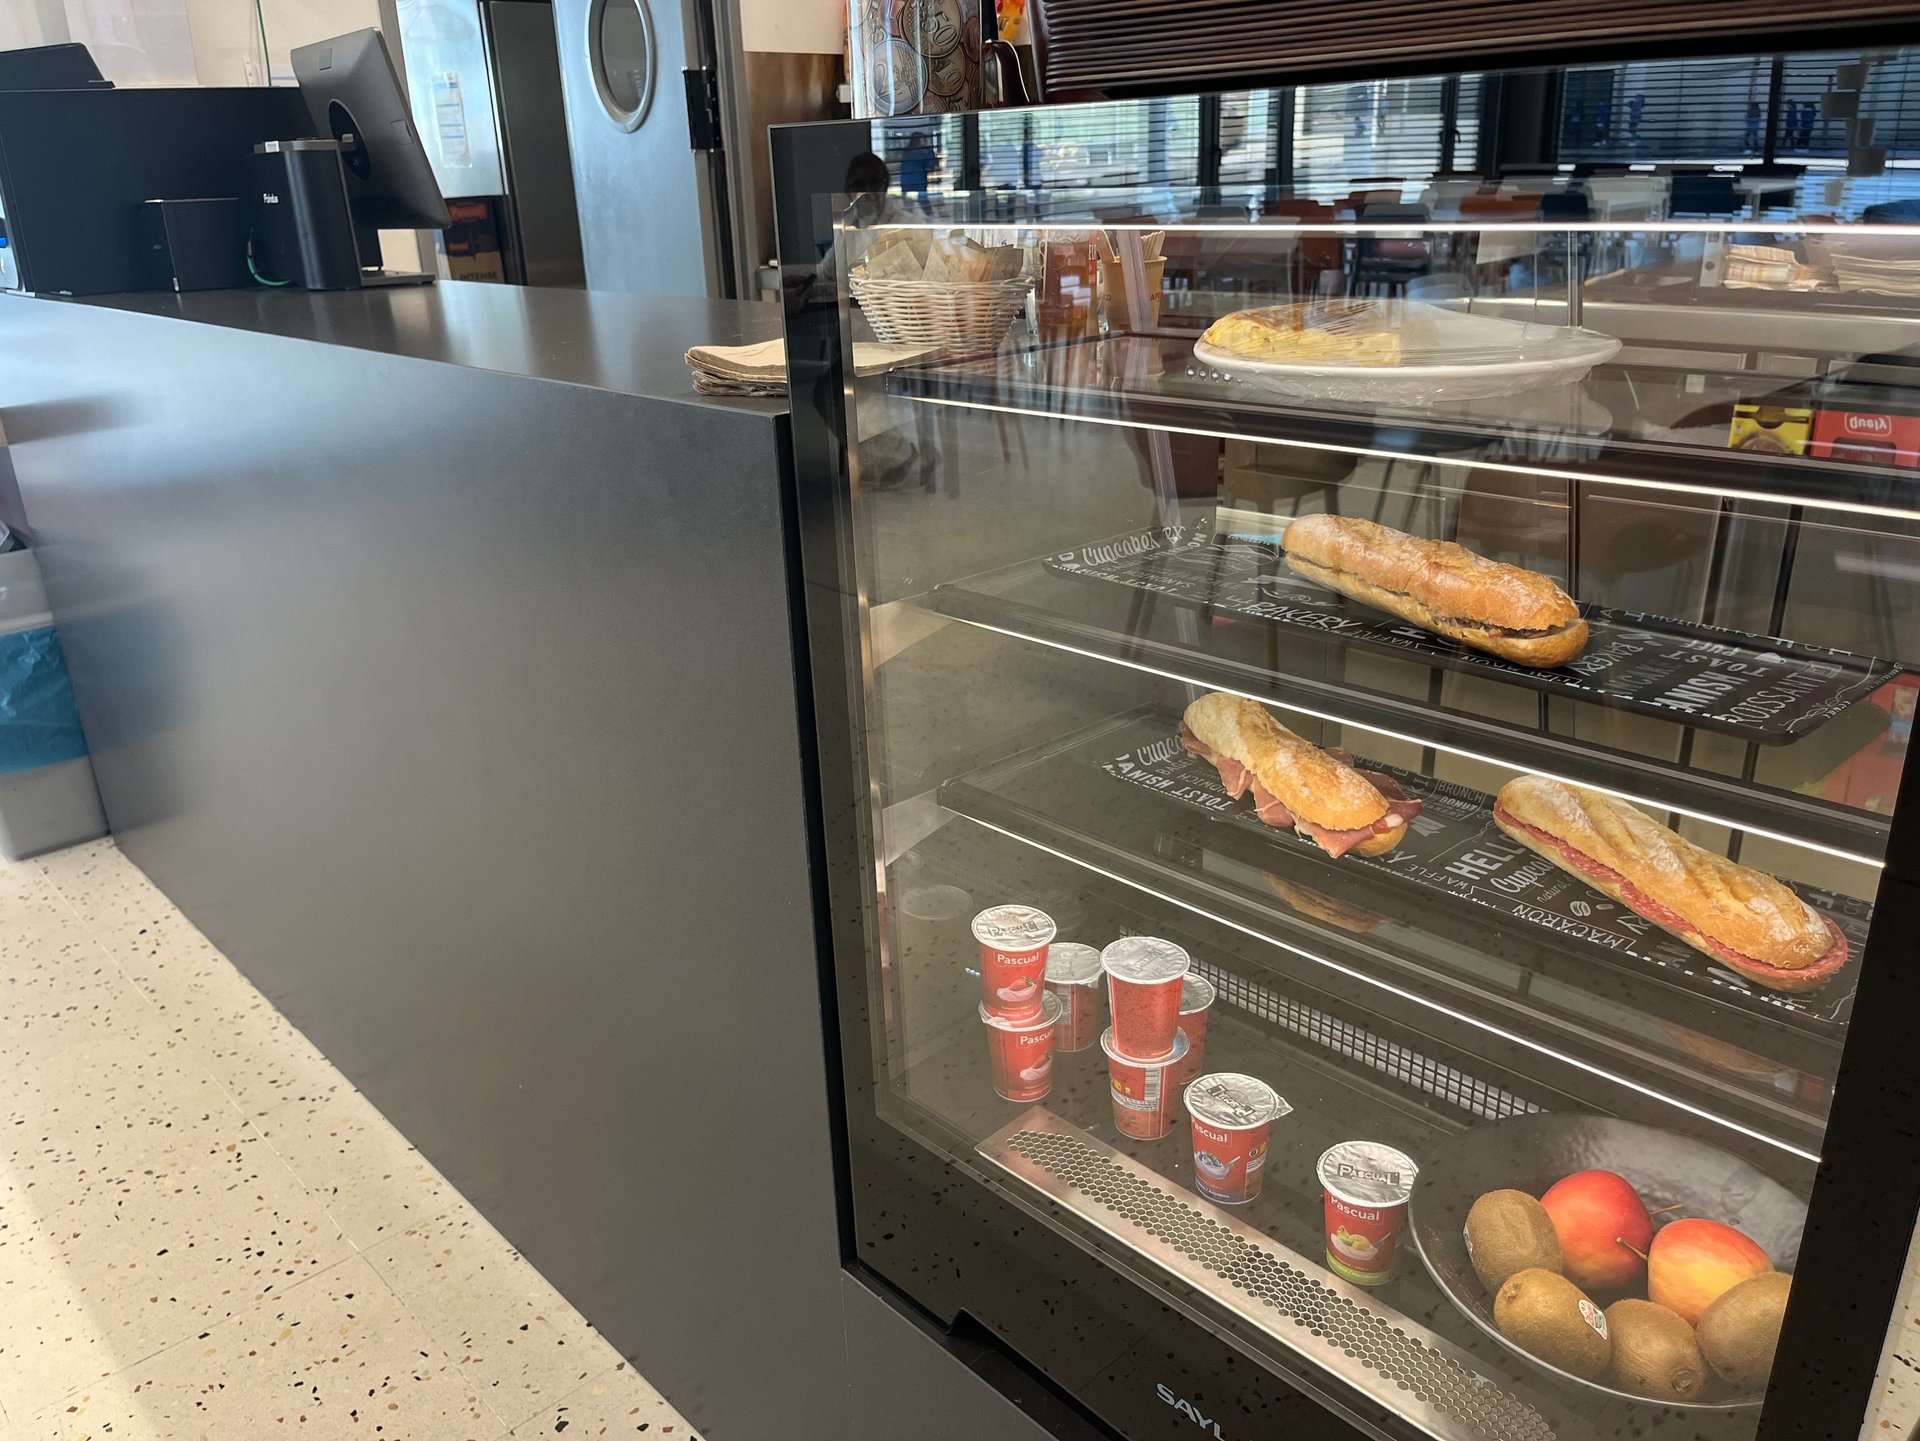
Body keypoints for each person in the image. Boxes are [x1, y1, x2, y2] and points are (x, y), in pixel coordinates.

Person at [899, 131, 937, 207]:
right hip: (919, 182)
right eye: (924, 140)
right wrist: (930, 149)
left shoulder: (906, 152)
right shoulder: (921, 154)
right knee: (924, 203)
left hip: (906, 183)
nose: (925, 142)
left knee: (908, 206)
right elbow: (931, 166)